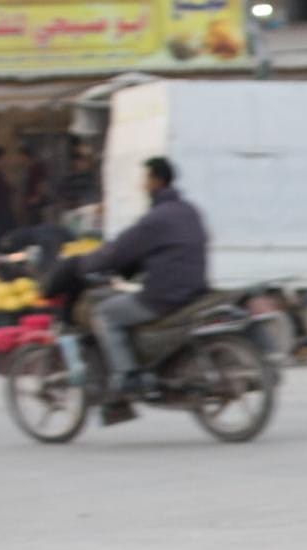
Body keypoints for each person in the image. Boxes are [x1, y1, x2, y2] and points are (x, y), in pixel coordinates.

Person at [74, 157, 209, 400]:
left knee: (105, 313)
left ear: (156, 181)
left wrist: (85, 264)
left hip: (163, 295)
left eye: (144, 179)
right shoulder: (190, 211)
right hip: (194, 288)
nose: (142, 184)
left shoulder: (156, 218)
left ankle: (128, 375)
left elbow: (120, 250)